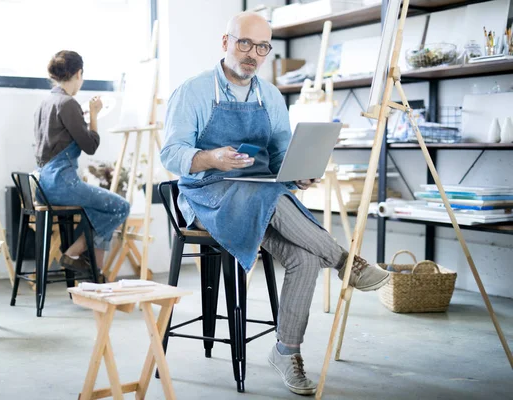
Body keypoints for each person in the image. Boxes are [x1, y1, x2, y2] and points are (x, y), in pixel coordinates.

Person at [160, 12, 390, 396]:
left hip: (260, 194)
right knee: (270, 194)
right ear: (225, 42)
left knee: (304, 256)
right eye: (244, 43)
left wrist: (298, 172)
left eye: (262, 46)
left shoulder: (270, 96)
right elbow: (171, 154)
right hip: (207, 194)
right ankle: (347, 262)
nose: (253, 54)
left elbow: (282, 152)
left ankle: (286, 351)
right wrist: (213, 157)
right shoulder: (194, 91)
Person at [34, 50, 130, 276]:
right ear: (78, 73)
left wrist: (83, 118)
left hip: (43, 184)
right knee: (120, 206)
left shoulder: (45, 103)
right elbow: (90, 145)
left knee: (96, 208)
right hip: (61, 184)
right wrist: (94, 115)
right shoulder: (68, 104)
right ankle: (74, 252)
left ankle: (94, 269)